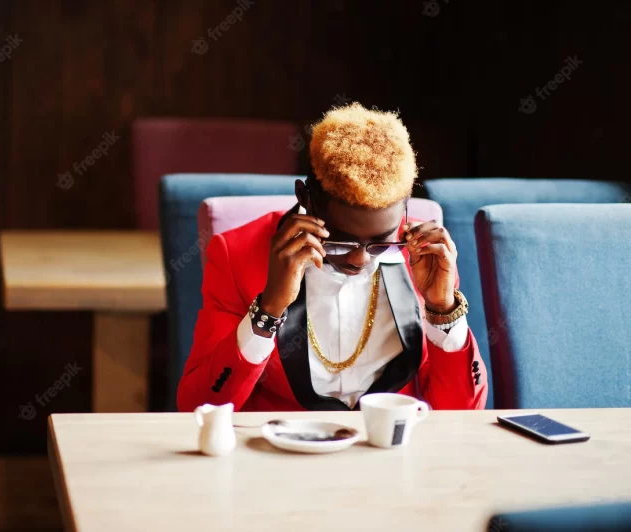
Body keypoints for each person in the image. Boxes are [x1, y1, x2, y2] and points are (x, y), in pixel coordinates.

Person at [178, 103, 487, 412]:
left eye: (380, 244)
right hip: (282, 451)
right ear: (304, 199)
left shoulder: (422, 255)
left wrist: (443, 309)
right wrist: (268, 310)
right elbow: (198, 406)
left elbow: (460, 413)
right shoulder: (236, 255)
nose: (359, 260)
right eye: (340, 241)